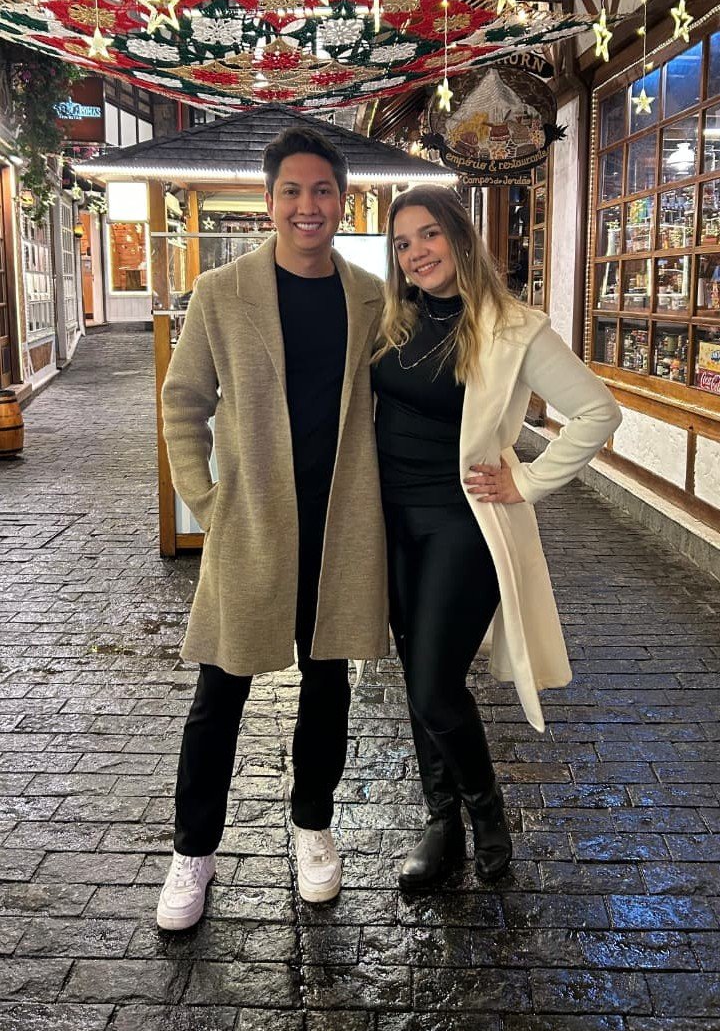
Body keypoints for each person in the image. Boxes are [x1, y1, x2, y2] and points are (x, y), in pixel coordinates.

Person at [157, 126, 388, 930]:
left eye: (322, 190)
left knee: (328, 684)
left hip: (341, 524)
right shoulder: (221, 292)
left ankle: (313, 825)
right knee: (219, 690)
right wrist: (207, 500)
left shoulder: (370, 297)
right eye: (292, 190)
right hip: (252, 522)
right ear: (269, 201)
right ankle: (193, 851)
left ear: (343, 201)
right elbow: (184, 401)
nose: (307, 205)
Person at [372, 184, 621, 892]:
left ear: (460, 235)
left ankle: (486, 816)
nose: (416, 252)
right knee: (418, 677)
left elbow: (597, 412)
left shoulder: (515, 329)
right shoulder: (392, 319)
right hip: (390, 522)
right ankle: (441, 823)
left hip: (463, 522)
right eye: (402, 243)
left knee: (433, 683)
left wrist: (529, 481)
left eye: (428, 234)